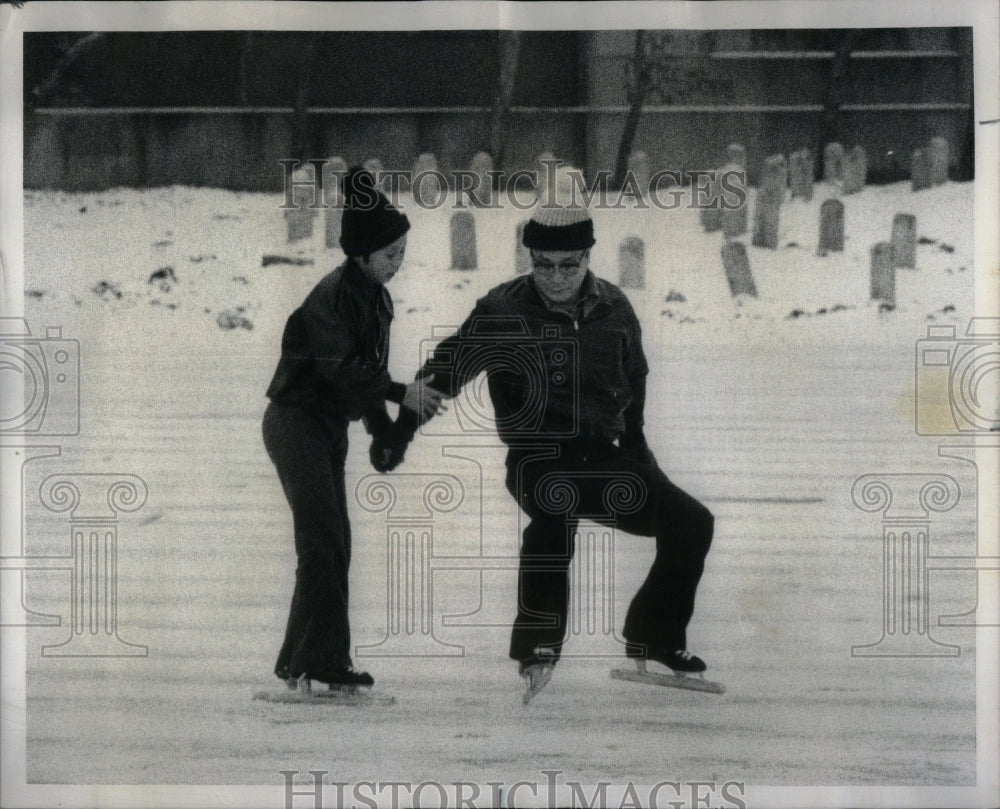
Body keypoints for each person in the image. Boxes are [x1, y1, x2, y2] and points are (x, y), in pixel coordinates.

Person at [384, 166, 715, 695]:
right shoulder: (503, 310)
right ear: (529, 259)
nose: (556, 277)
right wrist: (399, 428)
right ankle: (538, 646)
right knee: (554, 513)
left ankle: (654, 635)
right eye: (544, 265)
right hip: (537, 459)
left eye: (568, 265)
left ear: (587, 258)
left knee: (693, 523)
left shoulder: (614, 307)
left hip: (606, 459)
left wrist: (638, 454)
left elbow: (635, 382)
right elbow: (446, 369)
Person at [262, 167, 444, 691]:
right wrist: (396, 395)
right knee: (321, 543)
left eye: (402, 253)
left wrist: (383, 429)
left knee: (333, 542)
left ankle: (304, 659)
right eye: (390, 255)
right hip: (295, 424)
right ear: (361, 254)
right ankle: (319, 661)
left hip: (326, 428)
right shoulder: (332, 296)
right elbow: (341, 366)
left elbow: (362, 376)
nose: (398, 264)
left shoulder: (377, 300)